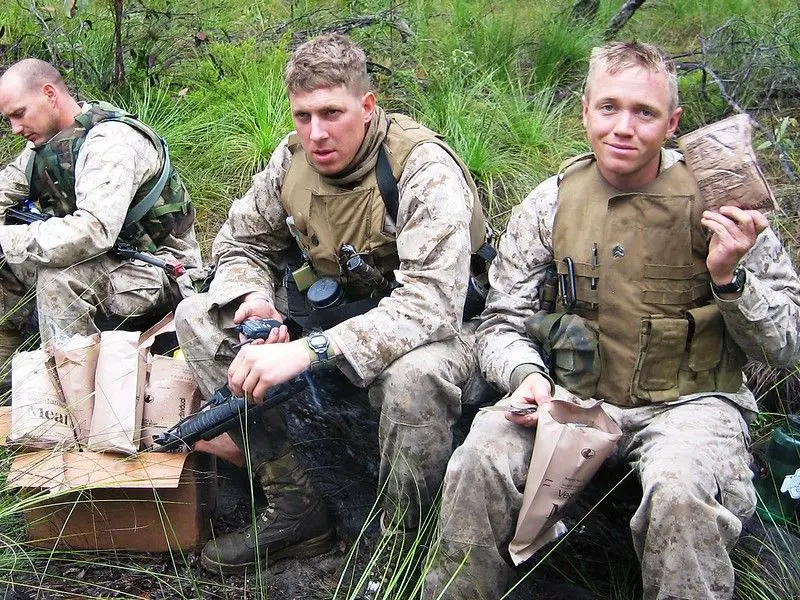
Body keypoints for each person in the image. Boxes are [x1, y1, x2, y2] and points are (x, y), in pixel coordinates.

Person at [423, 41, 800, 600]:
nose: (623, 127)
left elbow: (789, 344)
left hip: (690, 405)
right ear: (584, 111)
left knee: (680, 490)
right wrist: (527, 375)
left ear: (672, 123)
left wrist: (730, 280)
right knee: (479, 458)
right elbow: (501, 321)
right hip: (569, 399)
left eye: (644, 112)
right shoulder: (550, 203)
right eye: (609, 107)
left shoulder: (721, 202)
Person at [174, 33, 485, 574]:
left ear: (367, 107)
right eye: (303, 115)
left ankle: (401, 544)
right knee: (198, 317)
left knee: (414, 379)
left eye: (332, 113)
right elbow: (240, 241)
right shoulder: (292, 161)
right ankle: (296, 509)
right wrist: (254, 299)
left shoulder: (422, 169)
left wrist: (309, 351)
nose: (316, 133)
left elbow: (432, 306)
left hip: (453, 331)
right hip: (339, 322)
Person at [0, 59, 201, 371]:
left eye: (19, 114)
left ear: (49, 94)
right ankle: (7, 375)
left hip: (159, 271)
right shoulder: (44, 147)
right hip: (108, 264)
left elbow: (94, 230)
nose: (15, 129)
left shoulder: (111, 141)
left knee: (58, 277)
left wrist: (7, 239)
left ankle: (72, 395)